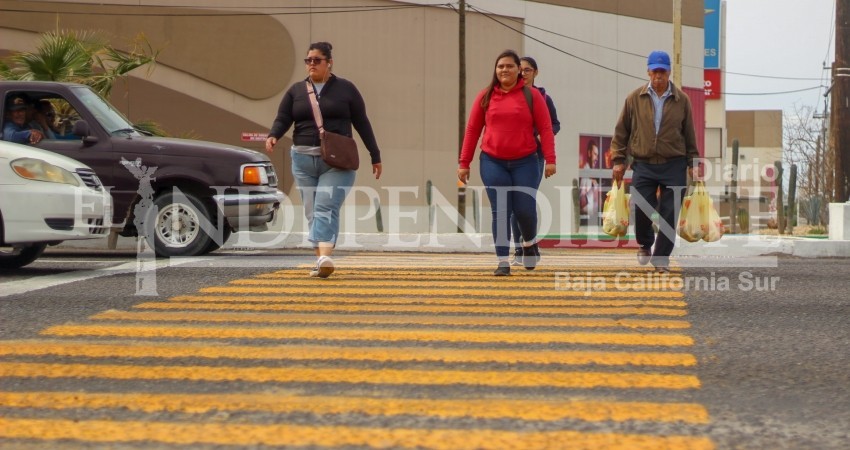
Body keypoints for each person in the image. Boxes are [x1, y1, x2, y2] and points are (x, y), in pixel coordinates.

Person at [265, 41, 382, 278]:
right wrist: (273, 135)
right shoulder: (296, 91)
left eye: (316, 60)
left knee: (325, 206)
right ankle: (321, 260)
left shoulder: (346, 89)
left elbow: (362, 122)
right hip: (302, 159)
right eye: (308, 60)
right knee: (311, 210)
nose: (311, 65)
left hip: (336, 162)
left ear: (329, 63)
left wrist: (375, 155)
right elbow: (283, 117)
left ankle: (325, 256)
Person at [458, 49, 556, 276]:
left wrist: (550, 159)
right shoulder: (486, 96)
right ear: (495, 70)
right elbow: (473, 130)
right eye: (500, 66)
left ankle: (529, 244)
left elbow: (546, 128)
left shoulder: (532, 96)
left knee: (524, 210)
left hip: (526, 162)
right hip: (493, 161)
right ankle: (502, 260)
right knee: (501, 209)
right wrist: (464, 162)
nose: (504, 70)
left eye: (510, 66)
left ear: (518, 71)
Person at [610, 50, 699, 273]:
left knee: (670, 212)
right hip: (644, 163)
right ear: (648, 71)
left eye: (662, 71)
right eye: (654, 71)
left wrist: (692, 163)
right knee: (640, 205)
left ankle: (661, 259)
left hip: (674, 164)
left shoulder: (682, 100)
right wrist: (619, 160)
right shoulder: (634, 98)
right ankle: (644, 242)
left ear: (669, 72)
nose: (658, 76)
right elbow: (621, 132)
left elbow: (689, 133)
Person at [508, 56, 560, 266]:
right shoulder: (510, 96)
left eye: (527, 70)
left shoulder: (543, 98)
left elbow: (555, 124)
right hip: (510, 156)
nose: (523, 74)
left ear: (535, 73)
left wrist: (541, 138)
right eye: (520, 70)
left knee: (524, 201)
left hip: (534, 158)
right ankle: (521, 249)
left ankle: (529, 246)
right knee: (513, 204)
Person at [579, 139, 600, 219]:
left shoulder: (591, 174)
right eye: (595, 154)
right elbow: (581, 202)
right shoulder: (584, 174)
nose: (597, 158)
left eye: (597, 155)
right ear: (589, 153)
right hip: (585, 219)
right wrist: (593, 189)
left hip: (592, 217)